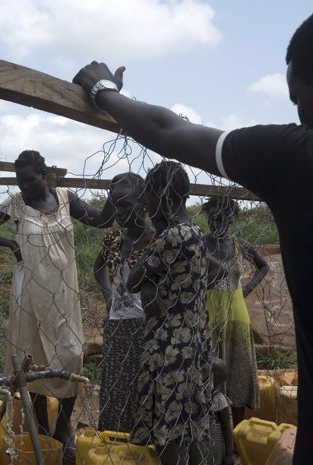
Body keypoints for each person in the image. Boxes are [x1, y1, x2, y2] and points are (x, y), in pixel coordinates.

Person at [73, 2, 313, 462]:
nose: (300, 114)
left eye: (296, 97)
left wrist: (103, 89)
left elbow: (168, 130)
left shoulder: (307, 159)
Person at [0, 150, 114, 458]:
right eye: (19, 181)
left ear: (44, 174)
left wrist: (114, 196)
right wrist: (10, 243)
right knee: (30, 357)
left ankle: (63, 426)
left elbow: (101, 220)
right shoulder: (16, 204)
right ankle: (43, 430)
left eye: (29, 180)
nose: (23, 186)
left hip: (63, 292)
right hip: (29, 293)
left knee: (71, 354)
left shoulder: (65, 198)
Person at [126, 161, 210, 465]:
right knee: (185, 428)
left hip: (167, 347)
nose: (145, 205)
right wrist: (151, 287)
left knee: (166, 435)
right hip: (189, 343)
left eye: (148, 196)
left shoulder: (173, 236)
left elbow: (131, 278)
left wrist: (146, 283)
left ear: (163, 195)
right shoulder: (196, 234)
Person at [93, 172, 155, 433]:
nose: (119, 212)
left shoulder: (156, 240)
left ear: (143, 204)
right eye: (115, 205)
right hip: (117, 327)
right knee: (115, 390)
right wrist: (109, 296)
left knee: (142, 390)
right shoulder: (113, 240)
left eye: (126, 205)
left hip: (146, 328)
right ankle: (113, 444)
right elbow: (98, 267)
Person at [202, 196, 268, 426]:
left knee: (239, 374)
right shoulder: (200, 244)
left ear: (231, 219)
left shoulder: (239, 244)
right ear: (207, 216)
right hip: (209, 318)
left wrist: (247, 288)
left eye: (222, 219)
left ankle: (238, 433)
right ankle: (214, 434)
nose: (217, 223)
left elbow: (264, 266)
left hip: (237, 317)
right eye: (213, 218)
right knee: (209, 376)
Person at [206, 358, 234, 465]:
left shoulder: (219, 400)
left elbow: (227, 427)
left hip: (215, 446)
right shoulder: (199, 397)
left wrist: (229, 454)